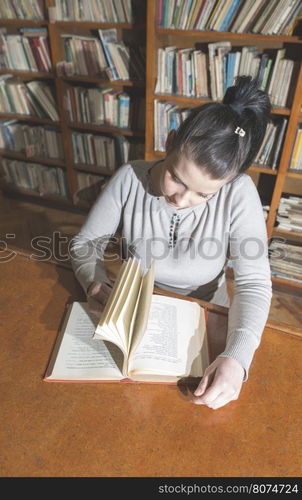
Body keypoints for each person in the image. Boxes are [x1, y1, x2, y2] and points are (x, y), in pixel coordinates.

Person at [70, 76, 272, 410]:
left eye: (204, 194)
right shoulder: (130, 177)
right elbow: (87, 242)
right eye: (176, 178)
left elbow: (253, 283)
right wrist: (93, 281)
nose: (181, 199)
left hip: (208, 315)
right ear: (171, 141)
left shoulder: (239, 192)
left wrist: (237, 357)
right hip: (136, 306)